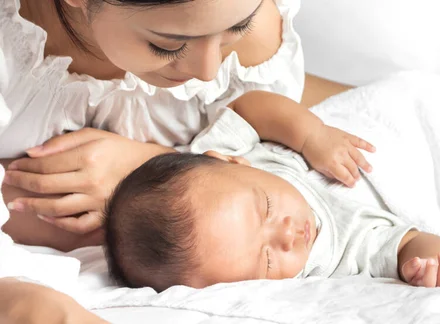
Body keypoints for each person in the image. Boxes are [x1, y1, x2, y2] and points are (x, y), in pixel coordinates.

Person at [0, 0, 350, 252]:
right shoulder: (11, 60)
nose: (208, 70)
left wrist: (150, 170)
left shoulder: (251, 47)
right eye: (169, 44)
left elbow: (274, 139)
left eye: (236, 27)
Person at [104, 108, 440, 291]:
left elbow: (249, 106)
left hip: (387, 121)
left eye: (266, 207)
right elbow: (407, 241)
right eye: (268, 260)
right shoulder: (338, 254)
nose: (287, 235)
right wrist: (434, 261)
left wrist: (310, 135)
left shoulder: (227, 162)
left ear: (227, 160)